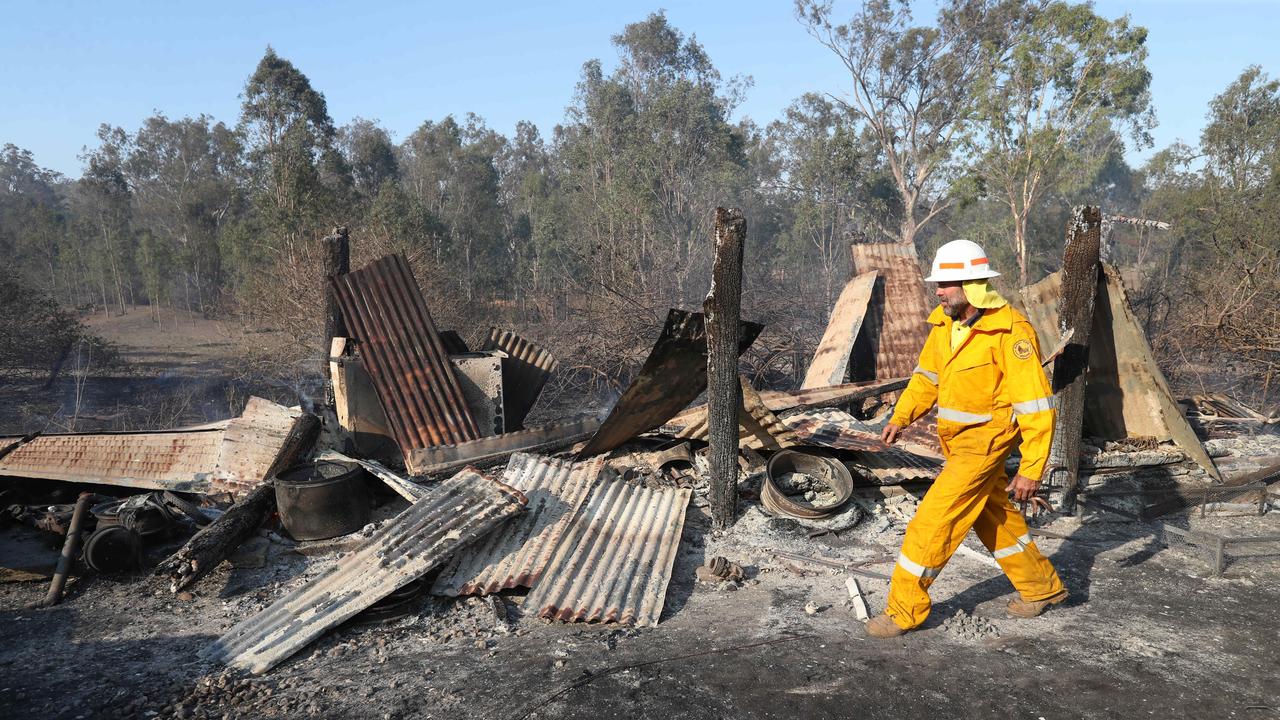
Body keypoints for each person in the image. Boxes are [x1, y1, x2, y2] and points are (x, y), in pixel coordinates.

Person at [865, 239, 1068, 639]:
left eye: (945, 284)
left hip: (987, 443)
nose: (936, 291)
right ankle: (1042, 588)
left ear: (972, 284)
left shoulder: (1011, 332)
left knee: (931, 521)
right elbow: (927, 378)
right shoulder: (945, 325)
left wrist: (1031, 470)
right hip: (957, 443)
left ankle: (904, 610)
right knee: (995, 517)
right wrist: (901, 415)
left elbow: (1036, 407)